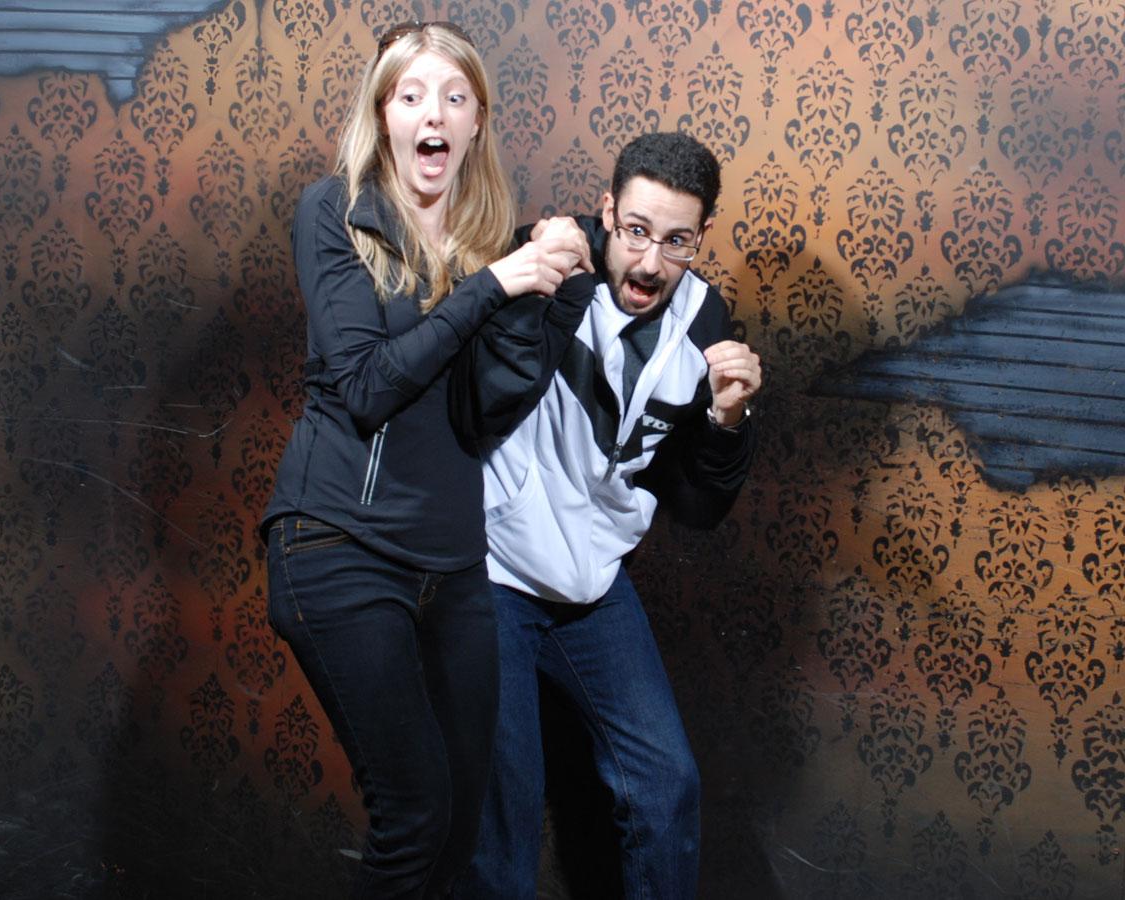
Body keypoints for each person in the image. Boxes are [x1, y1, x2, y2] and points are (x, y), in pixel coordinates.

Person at [261, 21, 591, 899]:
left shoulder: (488, 243)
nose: (432, 115)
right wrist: (493, 287)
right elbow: (368, 386)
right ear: (384, 115)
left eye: (453, 97)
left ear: (477, 122)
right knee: (412, 818)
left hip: (452, 567)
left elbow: (482, 417)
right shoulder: (336, 212)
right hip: (338, 547)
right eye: (411, 96)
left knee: (459, 828)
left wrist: (550, 299)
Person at [449, 131, 763, 899]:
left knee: (666, 786)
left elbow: (697, 508)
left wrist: (726, 423)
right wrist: (546, 277)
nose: (650, 263)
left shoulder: (705, 321)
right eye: (636, 231)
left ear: (702, 236)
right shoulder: (548, 260)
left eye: (676, 241)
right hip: (492, 568)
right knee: (505, 816)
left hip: (592, 587)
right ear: (608, 213)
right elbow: (475, 402)